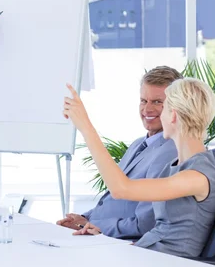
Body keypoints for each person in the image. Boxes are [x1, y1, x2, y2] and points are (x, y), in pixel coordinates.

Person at [17, 77, 215, 267]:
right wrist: (104, 235)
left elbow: (121, 189)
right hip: (143, 259)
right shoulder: (179, 166)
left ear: (173, 115)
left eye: (163, 106)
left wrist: (86, 127)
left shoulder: (197, 176)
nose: (155, 113)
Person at [57, 66, 182, 239]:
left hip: (122, 245)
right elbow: (116, 202)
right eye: (143, 101)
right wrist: (85, 218)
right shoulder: (139, 144)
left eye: (157, 102)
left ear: (175, 107)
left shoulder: (171, 151)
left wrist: (95, 226)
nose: (147, 110)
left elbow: (145, 223)